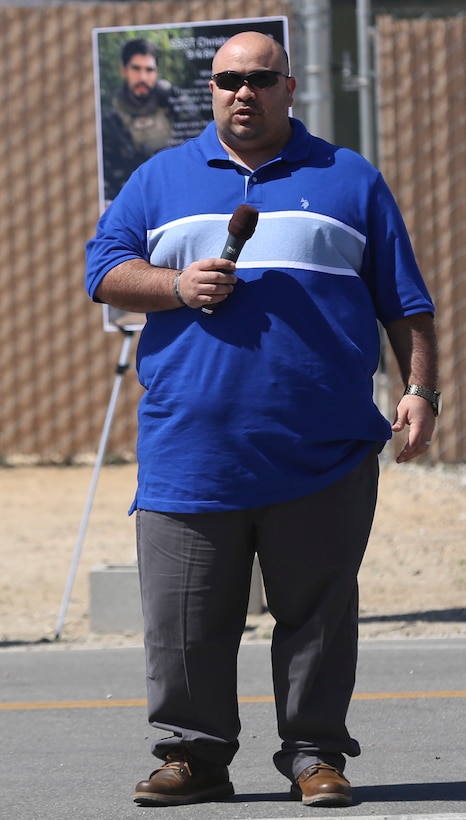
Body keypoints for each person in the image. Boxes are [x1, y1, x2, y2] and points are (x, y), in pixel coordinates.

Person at [86, 31, 440, 809]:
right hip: (191, 448)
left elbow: (405, 303)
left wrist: (420, 391)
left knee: (316, 617)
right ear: (210, 89)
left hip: (322, 449)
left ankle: (314, 755)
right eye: (227, 80)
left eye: (259, 79)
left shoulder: (349, 179)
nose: (241, 92)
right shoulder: (158, 179)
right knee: (184, 623)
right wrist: (177, 286)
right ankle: (193, 757)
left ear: (288, 88)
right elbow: (106, 272)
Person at [101, 38, 180, 201]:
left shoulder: (173, 102)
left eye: (149, 70)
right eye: (136, 69)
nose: (143, 77)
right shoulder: (110, 118)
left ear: (156, 72)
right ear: (124, 70)